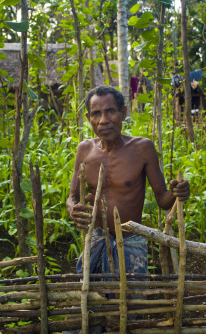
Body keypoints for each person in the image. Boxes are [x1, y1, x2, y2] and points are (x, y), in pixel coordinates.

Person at [66, 85, 190, 279]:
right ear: (89, 117)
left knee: (132, 302)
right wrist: (73, 209)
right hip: (96, 239)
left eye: (110, 111)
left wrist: (177, 193)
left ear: (123, 113)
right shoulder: (84, 150)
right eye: (96, 113)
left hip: (131, 241)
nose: (103, 120)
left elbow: (162, 199)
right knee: (96, 302)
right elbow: (71, 197)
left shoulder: (142, 148)